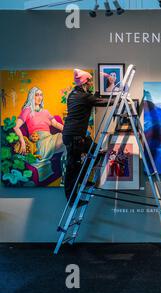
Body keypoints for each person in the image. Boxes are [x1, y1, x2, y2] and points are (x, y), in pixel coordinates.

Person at [62, 69, 109, 206]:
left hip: (76, 135)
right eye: (88, 81)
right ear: (84, 82)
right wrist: (118, 100)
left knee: (97, 151)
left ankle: (82, 178)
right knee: (73, 168)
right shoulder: (83, 97)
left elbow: (92, 98)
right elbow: (101, 101)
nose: (90, 84)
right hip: (74, 137)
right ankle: (72, 201)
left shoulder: (74, 94)